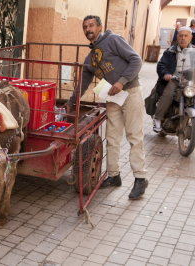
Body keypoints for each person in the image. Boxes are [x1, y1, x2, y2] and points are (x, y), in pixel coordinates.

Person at [65, 15, 148, 200]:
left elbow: (136, 60)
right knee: (112, 137)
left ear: (100, 26)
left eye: (92, 25)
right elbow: (83, 84)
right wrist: (71, 102)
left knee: (134, 136)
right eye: (85, 27)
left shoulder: (113, 39)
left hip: (131, 91)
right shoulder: (90, 58)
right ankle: (113, 175)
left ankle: (140, 179)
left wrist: (121, 81)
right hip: (113, 97)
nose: (88, 29)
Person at [153, 26, 195, 131]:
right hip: (174, 79)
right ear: (177, 37)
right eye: (180, 35)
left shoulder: (194, 51)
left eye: (186, 35)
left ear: (191, 37)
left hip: (190, 80)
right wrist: (166, 74)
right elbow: (161, 65)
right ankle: (158, 118)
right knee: (169, 93)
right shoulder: (170, 51)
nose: (183, 38)